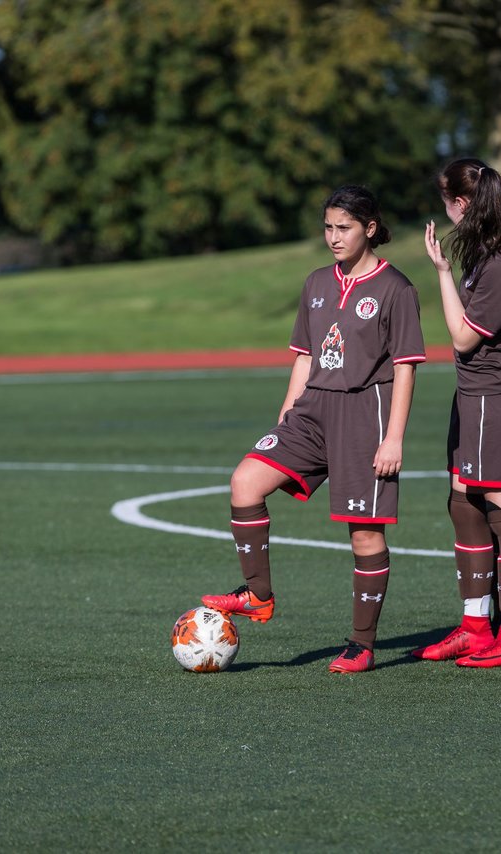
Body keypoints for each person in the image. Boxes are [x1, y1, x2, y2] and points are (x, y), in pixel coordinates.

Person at [201, 186, 426, 672]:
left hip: (367, 416)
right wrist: (286, 414)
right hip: (310, 411)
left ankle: (361, 643)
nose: (333, 237)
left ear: (369, 229)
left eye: (343, 228)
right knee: (245, 481)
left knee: (364, 536)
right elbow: (304, 356)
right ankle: (258, 594)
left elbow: (406, 368)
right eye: (327, 227)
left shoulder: (397, 289)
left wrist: (394, 438)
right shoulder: (317, 282)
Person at [412, 157, 501, 668]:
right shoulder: (488, 249)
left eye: (446, 203)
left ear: (460, 203)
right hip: (473, 398)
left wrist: (441, 272)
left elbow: (463, 336)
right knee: (463, 502)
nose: (444, 212)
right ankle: (473, 624)